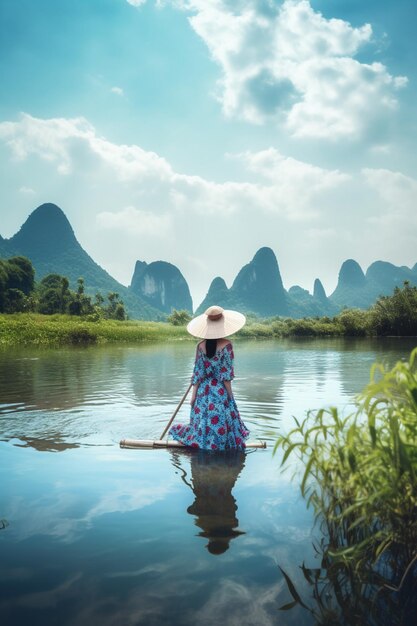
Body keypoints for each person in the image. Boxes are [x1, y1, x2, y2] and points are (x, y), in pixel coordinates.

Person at [169, 305, 250, 450]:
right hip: (219, 392)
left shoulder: (200, 346)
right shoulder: (227, 345)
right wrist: (230, 397)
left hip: (202, 392)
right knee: (224, 422)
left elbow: (197, 374)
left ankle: (202, 445)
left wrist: (193, 397)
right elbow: (226, 377)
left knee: (200, 425)